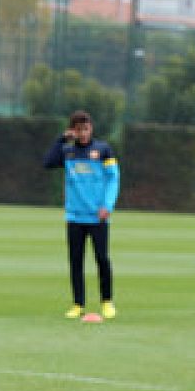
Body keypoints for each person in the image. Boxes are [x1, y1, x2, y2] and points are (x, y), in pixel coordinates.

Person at [42, 110, 119, 319]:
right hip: (75, 216)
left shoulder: (103, 150)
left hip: (98, 215)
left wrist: (107, 205)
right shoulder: (67, 152)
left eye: (86, 129)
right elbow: (47, 162)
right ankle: (78, 304)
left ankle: (107, 301)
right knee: (76, 261)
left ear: (91, 128)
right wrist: (61, 139)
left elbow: (113, 179)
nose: (83, 133)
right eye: (78, 130)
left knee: (102, 259)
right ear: (73, 131)